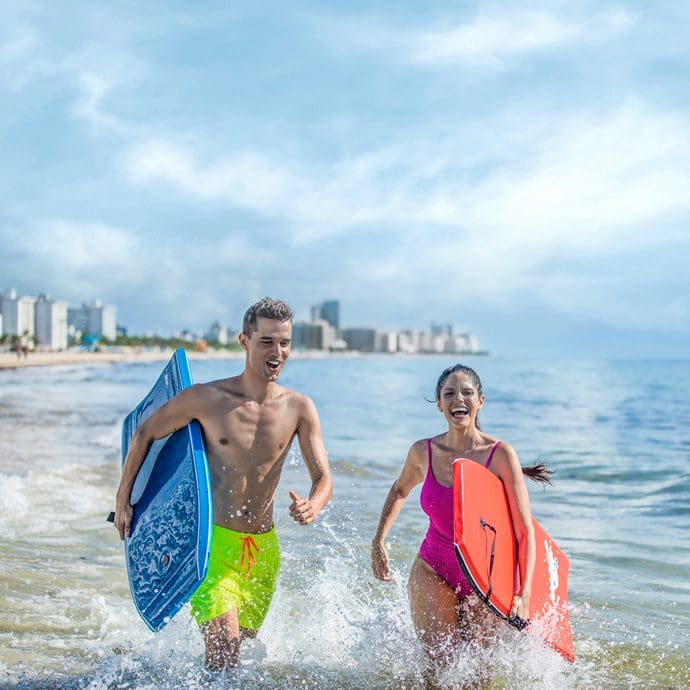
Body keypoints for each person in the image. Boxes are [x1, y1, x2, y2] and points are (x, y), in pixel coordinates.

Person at [114, 297, 333, 672]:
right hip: (211, 545)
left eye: (285, 342)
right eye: (266, 341)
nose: (277, 351)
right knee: (225, 651)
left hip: (263, 551)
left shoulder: (300, 407)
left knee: (235, 659)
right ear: (244, 341)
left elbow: (324, 477)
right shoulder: (207, 399)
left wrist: (313, 504)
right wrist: (124, 499)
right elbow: (145, 432)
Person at [371, 364, 551, 689]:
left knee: (476, 678)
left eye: (467, 392)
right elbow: (399, 490)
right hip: (433, 568)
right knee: (439, 670)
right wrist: (379, 541)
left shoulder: (499, 455)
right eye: (449, 393)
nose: (459, 399)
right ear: (439, 404)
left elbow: (524, 531)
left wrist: (523, 594)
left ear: (481, 400)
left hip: (486, 579)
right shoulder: (423, 452)